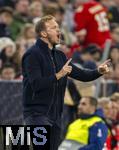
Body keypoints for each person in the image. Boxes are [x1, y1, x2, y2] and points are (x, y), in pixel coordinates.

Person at [22, 15, 111, 150]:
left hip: (56, 115)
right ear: (43, 33)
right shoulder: (32, 54)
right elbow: (37, 84)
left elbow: (81, 74)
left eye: (58, 27)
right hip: (37, 114)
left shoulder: (60, 56)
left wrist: (97, 71)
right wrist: (59, 75)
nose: (59, 31)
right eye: (54, 28)